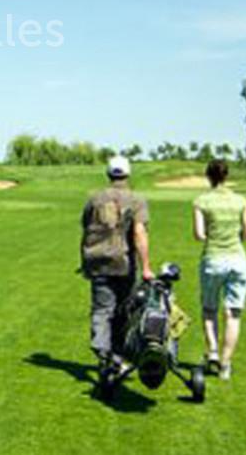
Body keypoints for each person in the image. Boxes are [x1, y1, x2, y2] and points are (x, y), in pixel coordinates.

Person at [80, 155, 154, 381]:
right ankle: (117, 358)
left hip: (98, 262)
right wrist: (147, 267)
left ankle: (104, 354)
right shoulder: (136, 199)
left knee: (102, 310)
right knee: (123, 312)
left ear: (109, 174)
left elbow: (85, 227)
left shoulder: (94, 199)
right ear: (128, 174)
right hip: (124, 264)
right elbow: (139, 234)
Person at [192, 159, 246, 381]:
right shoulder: (241, 200)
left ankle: (213, 353)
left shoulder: (201, 201)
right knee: (233, 314)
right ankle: (226, 365)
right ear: (226, 176)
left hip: (213, 260)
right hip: (237, 260)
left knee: (209, 309)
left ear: (208, 176)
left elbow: (199, 235)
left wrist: (214, 235)